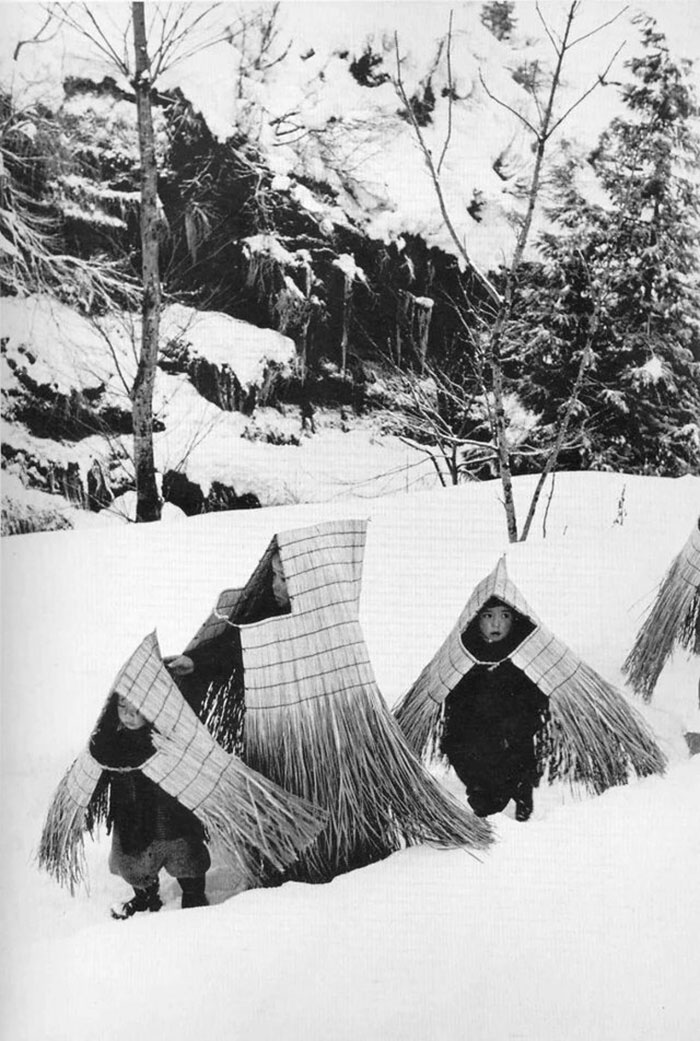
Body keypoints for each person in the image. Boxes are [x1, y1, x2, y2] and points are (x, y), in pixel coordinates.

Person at [89, 692, 211, 919]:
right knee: (133, 862)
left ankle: (194, 894)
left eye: (138, 709)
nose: (128, 714)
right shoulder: (114, 741)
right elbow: (98, 751)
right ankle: (146, 897)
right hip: (132, 816)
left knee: (185, 855)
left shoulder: (165, 736)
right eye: (122, 706)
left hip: (171, 814)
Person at [441, 597, 549, 821]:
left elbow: (537, 704)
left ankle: (520, 788)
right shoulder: (463, 655)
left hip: (514, 739)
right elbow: (455, 709)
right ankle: (484, 793)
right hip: (476, 742)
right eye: (488, 616)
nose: (496, 624)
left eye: (505, 616)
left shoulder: (526, 654)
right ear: (476, 619)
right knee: (464, 746)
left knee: (517, 736)